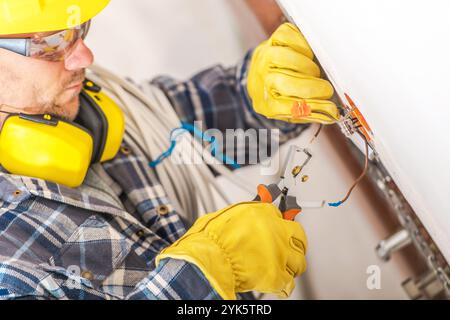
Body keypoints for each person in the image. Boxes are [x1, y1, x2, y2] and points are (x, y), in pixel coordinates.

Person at [0, 1, 339, 300]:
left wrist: (259, 91)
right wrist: (203, 278)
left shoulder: (84, 108)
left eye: (78, 30)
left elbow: (189, 131)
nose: (84, 56)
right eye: (50, 44)